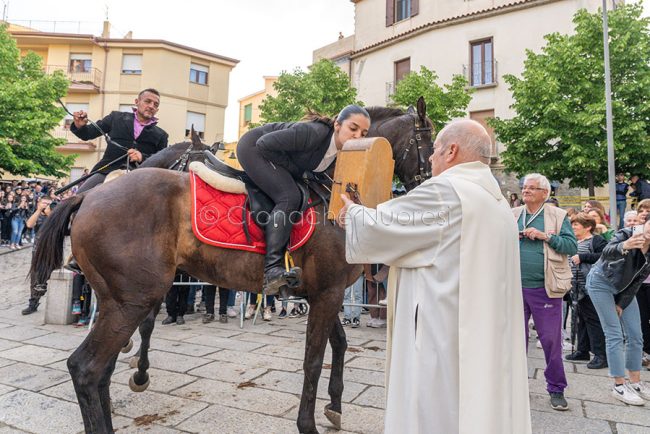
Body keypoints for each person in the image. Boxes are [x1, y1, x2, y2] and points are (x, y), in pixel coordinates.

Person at [339, 119, 531, 433]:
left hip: (439, 334)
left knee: (433, 409)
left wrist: (351, 211)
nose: (430, 158)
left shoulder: (447, 191)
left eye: (436, 151)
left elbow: (382, 226)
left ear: (452, 151)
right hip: (481, 332)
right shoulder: (496, 201)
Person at [236, 105, 371, 295]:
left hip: (269, 154)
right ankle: (272, 269)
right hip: (253, 148)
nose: (358, 137)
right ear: (337, 125)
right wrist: (295, 171)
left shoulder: (341, 153)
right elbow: (264, 145)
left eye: (364, 133)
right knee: (289, 196)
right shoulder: (313, 133)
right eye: (353, 128)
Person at [514, 173, 577, 411]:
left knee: (551, 340)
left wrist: (545, 237)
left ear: (544, 193)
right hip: (514, 288)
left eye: (531, 188)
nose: (526, 191)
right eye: (524, 187)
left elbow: (571, 246)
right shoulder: (513, 214)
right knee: (515, 341)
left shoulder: (558, 216)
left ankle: (556, 389)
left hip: (545, 287)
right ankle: (516, 387)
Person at [586, 216, 650, 405]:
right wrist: (626, 245)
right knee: (614, 333)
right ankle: (619, 385)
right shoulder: (627, 233)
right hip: (601, 283)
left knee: (636, 335)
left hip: (624, 290)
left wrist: (621, 302)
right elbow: (606, 252)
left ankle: (636, 382)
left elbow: (638, 279)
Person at [70, 88, 169, 193]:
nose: (151, 106)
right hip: (106, 172)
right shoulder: (116, 118)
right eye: (148, 101)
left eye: (155, 105)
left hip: (140, 179)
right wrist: (79, 125)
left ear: (157, 110)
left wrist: (142, 157)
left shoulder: (161, 135)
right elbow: (88, 134)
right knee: (77, 198)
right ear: (137, 102)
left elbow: (162, 163)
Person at [565, 213, 607, 369]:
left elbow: (605, 256)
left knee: (593, 321)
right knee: (580, 320)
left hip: (591, 288)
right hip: (575, 287)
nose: (573, 227)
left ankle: (601, 355)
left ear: (588, 227)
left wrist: (583, 257)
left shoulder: (596, 240)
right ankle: (582, 350)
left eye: (576, 224)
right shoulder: (574, 241)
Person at [20, 197, 55, 315]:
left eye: (49, 204)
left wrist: (51, 213)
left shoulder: (55, 216)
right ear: (39, 204)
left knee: (51, 277)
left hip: (53, 252)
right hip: (38, 252)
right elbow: (29, 225)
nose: (46, 205)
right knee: (36, 279)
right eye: (44, 203)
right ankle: (33, 304)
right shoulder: (37, 215)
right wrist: (39, 210)